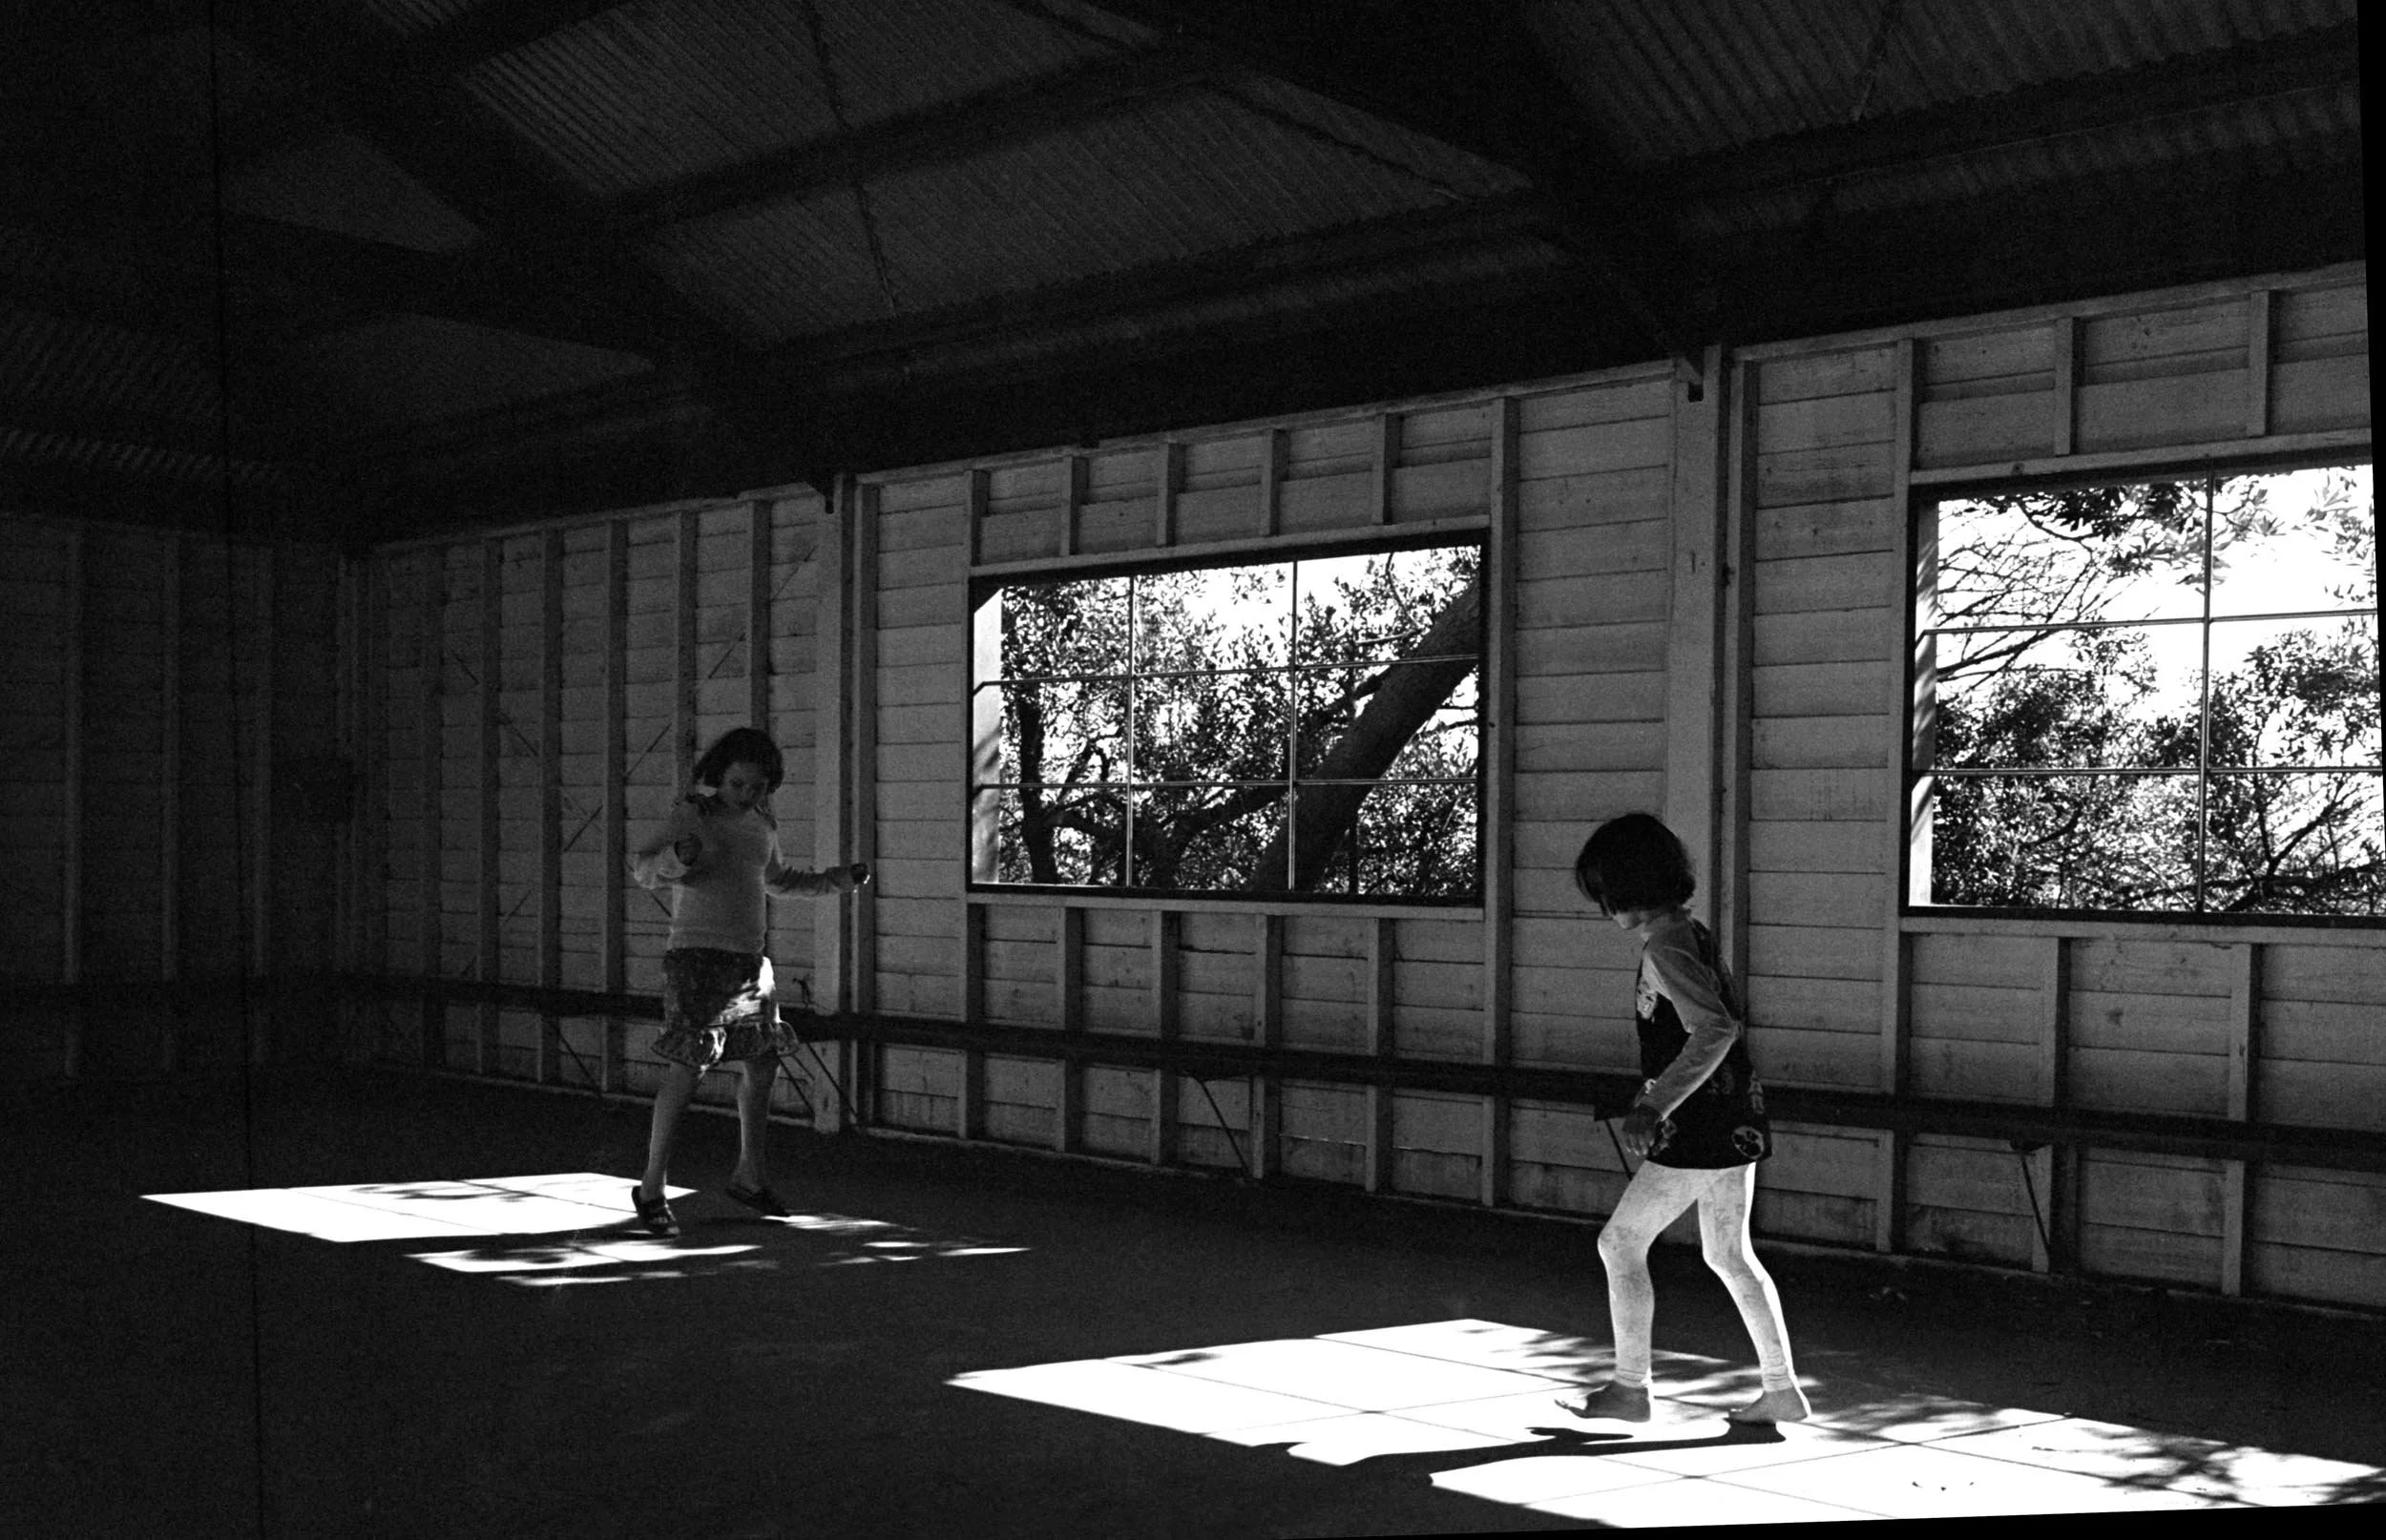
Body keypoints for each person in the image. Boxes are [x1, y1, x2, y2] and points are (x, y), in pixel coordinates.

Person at [1557, 812, 1810, 1426]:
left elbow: (1715, 1028)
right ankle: (1781, 1389)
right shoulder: (1687, 932)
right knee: (1729, 1254)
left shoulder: (1666, 946)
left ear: (1627, 887)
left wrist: (1654, 1104)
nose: (1604, 909)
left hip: (1700, 1125)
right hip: (1733, 1116)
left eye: (1605, 893)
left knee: (1619, 1243)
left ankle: (1630, 1388)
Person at [626, 726, 869, 1238]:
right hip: (696, 959)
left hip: (749, 964)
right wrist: (677, 859)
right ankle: (651, 1188)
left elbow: (778, 881)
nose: (747, 794)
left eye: (757, 787)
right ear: (720, 776)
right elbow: (643, 870)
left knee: (763, 1063)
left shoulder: (762, 824)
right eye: (738, 784)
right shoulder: (692, 814)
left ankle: (749, 1176)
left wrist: (838, 880)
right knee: (687, 1069)